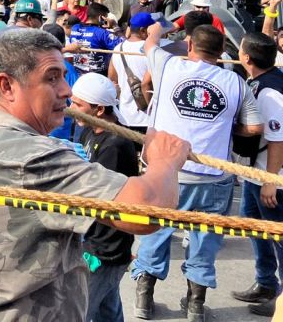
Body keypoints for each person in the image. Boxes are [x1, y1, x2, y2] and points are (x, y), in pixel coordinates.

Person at [0, 28, 191, 322]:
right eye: (52, 77)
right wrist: (164, 161)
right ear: (7, 86)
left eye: (63, 76)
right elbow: (144, 211)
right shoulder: (35, 157)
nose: (66, 90)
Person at [133, 22, 263, 320]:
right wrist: (225, 128)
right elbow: (255, 127)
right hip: (213, 176)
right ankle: (195, 307)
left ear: (189, 45)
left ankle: (143, 300)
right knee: (205, 239)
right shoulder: (235, 82)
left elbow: (150, 40)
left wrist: (161, 27)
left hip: (167, 172)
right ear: (221, 53)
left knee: (157, 231)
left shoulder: (167, 66)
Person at [70, 73, 140, 322]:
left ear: (99, 109)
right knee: (107, 310)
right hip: (95, 240)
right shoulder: (89, 131)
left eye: (78, 105)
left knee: (80, 310)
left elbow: (105, 199)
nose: (71, 109)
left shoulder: (115, 144)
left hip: (104, 247)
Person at [233, 32, 283, 317]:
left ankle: (281, 300)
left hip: (269, 177)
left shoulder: (271, 92)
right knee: (256, 230)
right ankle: (265, 282)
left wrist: (270, 182)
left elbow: (279, 139)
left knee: (278, 237)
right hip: (255, 173)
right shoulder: (259, 81)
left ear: (247, 57)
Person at [65, 3, 120, 76]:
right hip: (99, 75)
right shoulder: (101, 33)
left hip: (78, 74)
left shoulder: (75, 28)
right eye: (106, 17)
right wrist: (115, 26)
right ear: (100, 17)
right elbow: (123, 45)